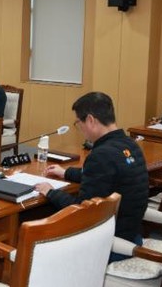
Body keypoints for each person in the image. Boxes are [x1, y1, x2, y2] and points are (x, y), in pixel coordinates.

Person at [33, 92, 148, 262]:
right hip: (132, 236)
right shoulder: (130, 144)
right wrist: (66, 172)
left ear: (90, 120)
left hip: (110, 245)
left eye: (78, 123)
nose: (80, 129)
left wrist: (50, 192)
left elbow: (82, 212)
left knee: (39, 247)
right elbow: (104, 176)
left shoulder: (101, 155)